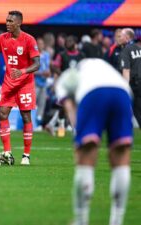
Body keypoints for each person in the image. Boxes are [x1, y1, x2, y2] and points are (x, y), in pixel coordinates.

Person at [56, 59, 133, 225]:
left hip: (93, 94)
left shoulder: (66, 78)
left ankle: (81, 220)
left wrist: (79, 130)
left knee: (87, 155)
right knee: (121, 156)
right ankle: (117, 220)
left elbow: (68, 105)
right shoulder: (104, 68)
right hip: (123, 93)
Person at [0, 10, 40, 165]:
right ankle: (8, 152)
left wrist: (22, 71)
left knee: (26, 116)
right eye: (6, 21)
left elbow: (37, 64)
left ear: (19, 23)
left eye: (10, 21)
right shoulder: (1, 39)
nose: (7, 23)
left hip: (25, 83)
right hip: (9, 83)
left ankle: (26, 155)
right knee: (2, 114)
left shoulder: (29, 40)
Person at [47, 35, 85, 137]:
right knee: (69, 105)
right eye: (66, 41)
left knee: (65, 106)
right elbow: (54, 66)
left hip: (77, 84)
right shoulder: (62, 55)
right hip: (64, 84)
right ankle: (75, 129)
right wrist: (62, 75)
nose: (67, 42)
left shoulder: (81, 55)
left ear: (75, 43)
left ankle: (51, 124)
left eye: (70, 41)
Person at [120, 28, 141, 129]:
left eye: (121, 36)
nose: (119, 38)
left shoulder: (126, 50)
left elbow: (126, 71)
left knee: (138, 113)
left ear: (127, 37)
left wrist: (125, 89)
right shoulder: (139, 48)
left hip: (136, 86)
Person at [34, 37, 51, 127]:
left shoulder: (47, 55)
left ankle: (38, 122)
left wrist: (48, 73)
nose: (40, 45)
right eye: (38, 44)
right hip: (35, 82)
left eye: (41, 44)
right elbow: (31, 70)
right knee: (33, 103)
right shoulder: (33, 55)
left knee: (42, 104)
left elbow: (48, 68)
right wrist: (41, 73)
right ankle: (32, 122)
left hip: (44, 83)